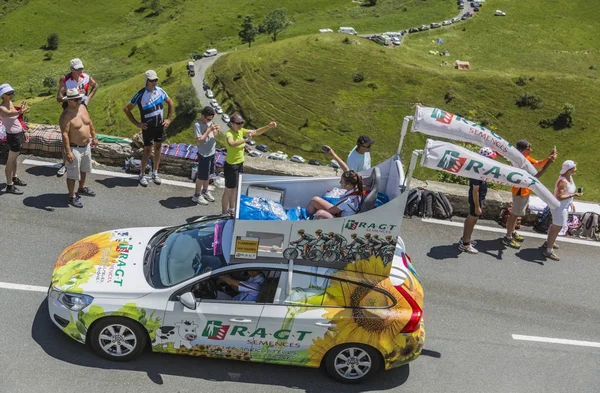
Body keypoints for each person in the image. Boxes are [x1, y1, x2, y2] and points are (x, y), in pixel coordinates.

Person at [502, 139, 557, 249]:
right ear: (522, 150)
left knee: (517, 214)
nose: (531, 150)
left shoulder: (526, 158)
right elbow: (536, 175)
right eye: (528, 148)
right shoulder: (520, 161)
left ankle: (512, 232)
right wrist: (549, 162)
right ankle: (507, 237)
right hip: (519, 190)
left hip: (525, 190)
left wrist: (548, 158)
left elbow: (537, 163)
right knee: (514, 214)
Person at [123, 70, 174, 187]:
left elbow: (170, 103)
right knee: (147, 150)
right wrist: (137, 123)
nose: (154, 82)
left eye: (156, 80)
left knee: (158, 148)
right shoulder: (140, 94)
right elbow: (126, 109)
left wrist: (168, 119)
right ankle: (142, 174)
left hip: (159, 126)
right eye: (152, 80)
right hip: (148, 127)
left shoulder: (160, 91)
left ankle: (155, 173)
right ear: (146, 81)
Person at [221, 114, 277, 215]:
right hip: (231, 165)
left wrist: (268, 126)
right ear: (232, 124)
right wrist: (245, 140)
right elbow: (231, 144)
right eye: (238, 123)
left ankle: (231, 209)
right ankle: (225, 212)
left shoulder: (240, 131)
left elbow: (256, 132)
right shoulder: (229, 133)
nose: (241, 125)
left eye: (242, 123)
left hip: (239, 163)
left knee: (234, 189)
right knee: (229, 190)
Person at [55, 58, 99, 177]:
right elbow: (58, 98)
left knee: (85, 127)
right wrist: (69, 95)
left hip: (82, 106)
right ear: (71, 70)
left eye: (81, 68)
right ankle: (65, 163)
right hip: (69, 108)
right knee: (67, 135)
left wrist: (88, 98)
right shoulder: (65, 80)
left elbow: (95, 86)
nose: (80, 71)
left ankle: (83, 157)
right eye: (77, 69)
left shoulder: (86, 77)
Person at [59, 88, 98, 208]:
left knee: (84, 168)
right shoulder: (65, 116)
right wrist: (68, 152)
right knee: (72, 173)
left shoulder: (83, 108)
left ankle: (82, 187)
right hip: (74, 147)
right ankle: (71, 196)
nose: (79, 101)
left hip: (86, 145)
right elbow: (65, 134)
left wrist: (94, 136)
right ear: (69, 101)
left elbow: (89, 122)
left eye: (80, 98)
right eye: (76, 99)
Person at [459, 147, 497, 254]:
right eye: (490, 158)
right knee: (472, 219)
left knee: (473, 219)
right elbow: (475, 191)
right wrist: (477, 206)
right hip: (476, 199)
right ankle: (465, 244)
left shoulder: (482, 169)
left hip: (479, 198)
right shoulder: (478, 171)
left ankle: (465, 239)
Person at [543, 160, 582, 261]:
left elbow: (568, 192)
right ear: (569, 170)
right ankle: (548, 251)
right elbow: (559, 196)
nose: (576, 169)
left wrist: (571, 202)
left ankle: (549, 242)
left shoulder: (569, 178)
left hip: (564, 206)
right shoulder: (563, 182)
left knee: (554, 226)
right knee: (557, 228)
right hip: (559, 208)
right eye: (574, 168)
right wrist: (574, 195)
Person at [0, 84, 30, 195]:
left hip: (17, 134)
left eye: (12, 92)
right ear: (3, 95)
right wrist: (20, 112)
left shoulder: (10, 103)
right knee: (10, 161)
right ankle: (9, 185)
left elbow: (15, 118)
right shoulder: (2, 107)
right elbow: (9, 113)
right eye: (9, 94)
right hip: (13, 136)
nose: (12, 95)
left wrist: (23, 130)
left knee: (15, 158)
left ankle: (14, 177)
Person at [192, 106, 220, 205]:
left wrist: (217, 130)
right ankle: (196, 195)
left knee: (208, 175)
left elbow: (214, 134)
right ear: (202, 116)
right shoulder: (197, 125)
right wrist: (208, 130)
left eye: (211, 119)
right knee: (201, 176)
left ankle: (205, 191)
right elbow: (199, 140)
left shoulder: (209, 122)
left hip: (211, 152)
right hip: (203, 154)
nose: (209, 121)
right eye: (207, 119)